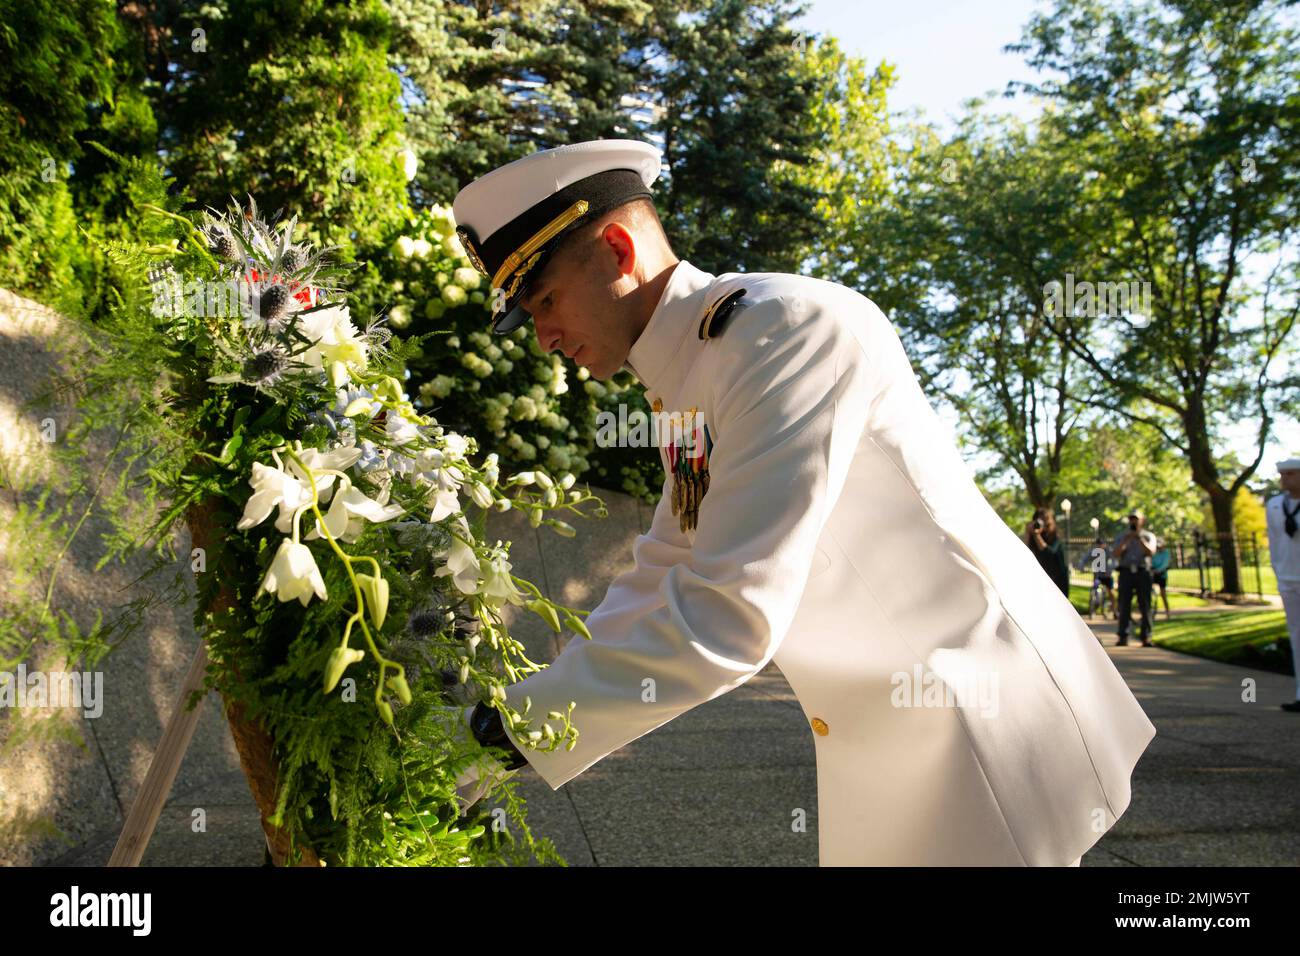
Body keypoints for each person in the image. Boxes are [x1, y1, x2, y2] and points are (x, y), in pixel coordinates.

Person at [447, 138, 1155, 866]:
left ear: (620, 250)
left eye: (546, 300)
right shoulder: (696, 366)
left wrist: (510, 736)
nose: (544, 336)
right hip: (899, 735)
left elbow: (730, 615)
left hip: (977, 724)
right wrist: (501, 730)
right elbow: (665, 566)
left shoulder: (780, 332)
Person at [1266, 458, 1300, 713]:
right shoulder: (1275, 505)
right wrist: (1278, 572)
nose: (1285, 479)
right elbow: (1275, 541)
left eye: (1291, 474)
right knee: (1297, 637)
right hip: (1288, 578)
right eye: (1283, 474)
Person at [1111, 510, 1157, 646]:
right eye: (1131, 519)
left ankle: (1146, 636)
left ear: (1142, 521)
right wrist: (1128, 539)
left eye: (1136, 519)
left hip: (1143, 572)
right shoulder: (1122, 537)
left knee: (1145, 605)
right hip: (1126, 573)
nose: (1133, 521)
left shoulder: (1148, 536)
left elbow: (1150, 552)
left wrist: (1139, 538)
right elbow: (1115, 553)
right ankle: (1123, 636)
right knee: (1124, 604)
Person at [1025, 507, 1070, 598]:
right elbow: (1025, 553)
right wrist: (1028, 533)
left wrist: (1036, 535)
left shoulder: (1056, 539)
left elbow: (1049, 554)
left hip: (1058, 583)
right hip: (1041, 582)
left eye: (1045, 520)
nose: (1043, 523)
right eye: (1039, 520)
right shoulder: (1034, 537)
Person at [1150, 537, 1172, 620]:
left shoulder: (1166, 553)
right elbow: (1151, 562)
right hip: (1153, 575)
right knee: (1150, 593)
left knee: (1163, 594)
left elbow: (1165, 564)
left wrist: (1158, 570)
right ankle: (1151, 611)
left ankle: (1167, 612)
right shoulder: (1154, 552)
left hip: (1162, 575)